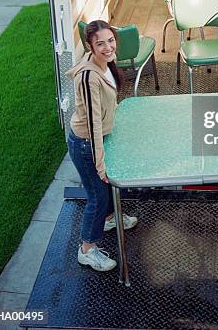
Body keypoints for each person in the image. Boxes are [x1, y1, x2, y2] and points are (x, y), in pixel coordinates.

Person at [67, 20, 138, 272]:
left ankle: (109, 219)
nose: (108, 47)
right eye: (100, 43)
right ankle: (87, 250)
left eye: (110, 40)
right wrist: (100, 164)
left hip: (98, 138)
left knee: (104, 190)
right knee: (97, 195)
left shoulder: (105, 63)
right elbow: (93, 123)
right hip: (86, 143)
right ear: (90, 46)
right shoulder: (88, 77)